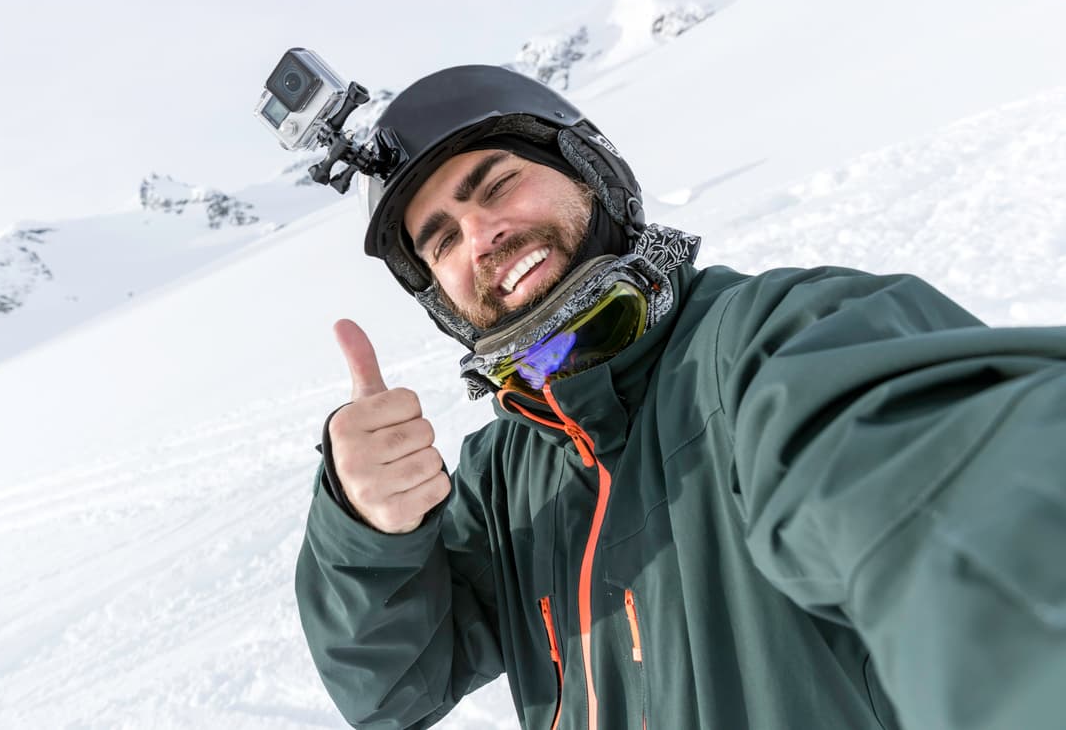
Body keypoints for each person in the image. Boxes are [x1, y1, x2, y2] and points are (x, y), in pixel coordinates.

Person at [294, 65, 1066, 730]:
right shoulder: (505, 473)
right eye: (442, 240)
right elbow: (390, 689)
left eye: (496, 185)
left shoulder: (774, 340)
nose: (481, 236)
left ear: (588, 169)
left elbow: (942, 495)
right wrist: (368, 529)